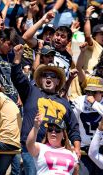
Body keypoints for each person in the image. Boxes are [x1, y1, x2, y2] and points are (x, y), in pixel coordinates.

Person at [11, 44, 81, 175]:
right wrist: (17, 58)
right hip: (32, 147)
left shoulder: (64, 103)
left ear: (58, 81)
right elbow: (17, 78)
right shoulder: (31, 91)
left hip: (54, 150)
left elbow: (73, 127)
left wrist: (76, 147)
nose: (48, 78)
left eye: (52, 76)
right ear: (40, 79)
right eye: (45, 75)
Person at [72, 76, 103, 174]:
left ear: (102, 92)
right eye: (88, 92)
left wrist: (94, 104)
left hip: (102, 149)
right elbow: (72, 123)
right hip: (84, 149)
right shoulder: (79, 101)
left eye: (94, 92)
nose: (90, 95)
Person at [23, 11, 74, 78]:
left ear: (68, 41)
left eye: (62, 37)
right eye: (57, 35)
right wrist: (42, 20)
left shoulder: (68, 57)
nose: (58, 38)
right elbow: (26, 37)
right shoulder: (43, 45)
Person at [83, 5, 103, 74]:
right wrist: (87, 17)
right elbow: (88, 36)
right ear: (94, 36)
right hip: (89, 77)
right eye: (101, 34)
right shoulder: (93, 44)